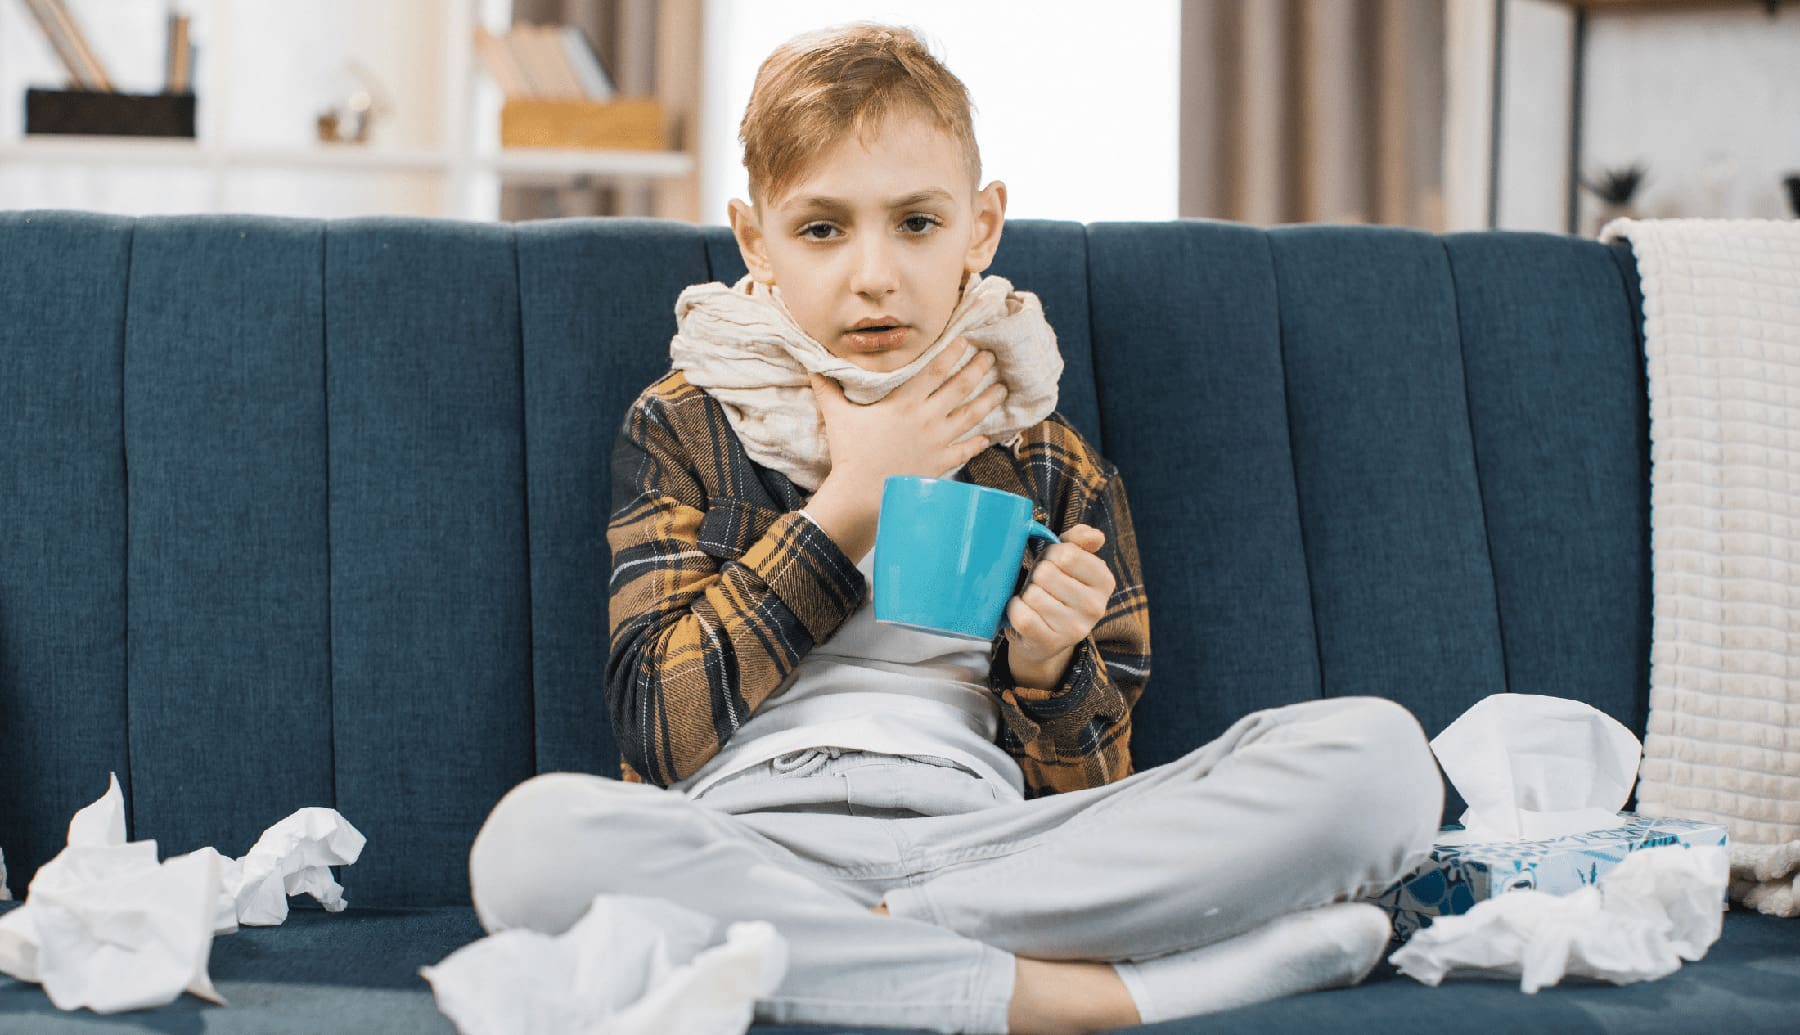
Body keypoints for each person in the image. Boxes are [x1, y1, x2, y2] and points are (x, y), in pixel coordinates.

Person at [468, 23, 1442, 1035]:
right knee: (530, 844)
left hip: (996, 848)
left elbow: (1098, 777)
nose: (874, 275)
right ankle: (1083, 997)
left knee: (1380, 763)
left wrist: (1046, 661)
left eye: (918, 224)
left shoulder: (1046, 451)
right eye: (821, 229)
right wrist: (851, 500)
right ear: (755, 239)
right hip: (751, 842)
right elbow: (659, 734)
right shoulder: (687, 419)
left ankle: (881, 945)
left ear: (981, 227)